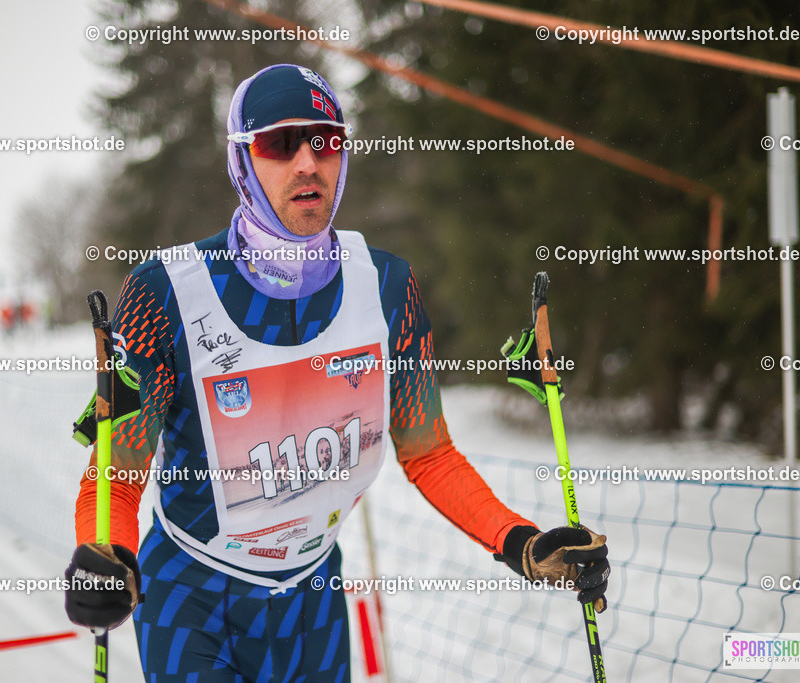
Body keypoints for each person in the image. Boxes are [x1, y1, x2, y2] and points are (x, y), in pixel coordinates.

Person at [64, 64, 610, 682]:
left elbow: (429, 453)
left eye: (324, 141)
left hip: (313, 597)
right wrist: (107, 556)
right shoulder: (165, 292)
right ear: (241, 160)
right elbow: (116, 473)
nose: (308, 163)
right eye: (279, 143)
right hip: (192, 599)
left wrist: (522, 542)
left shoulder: (386, 286)